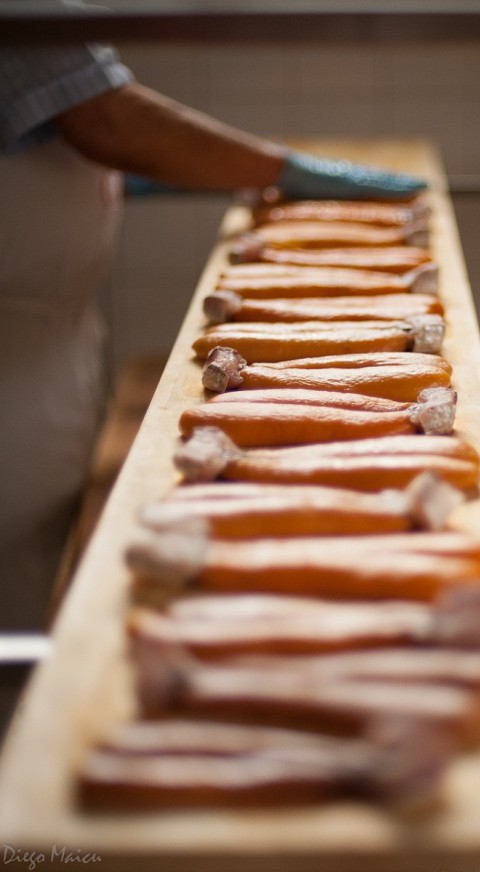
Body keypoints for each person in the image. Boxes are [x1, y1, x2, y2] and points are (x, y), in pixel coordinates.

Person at [0, 38, 426, 632]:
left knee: (50, 545)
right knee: (19, 570)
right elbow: (105, 116)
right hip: (12, 361)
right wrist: (277, 169)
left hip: (49, 338)